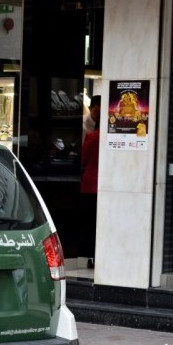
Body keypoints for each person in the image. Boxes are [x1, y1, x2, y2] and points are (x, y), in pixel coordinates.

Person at [79, 96, 101, 269]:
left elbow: (84, 159)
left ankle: (90, 255)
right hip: (105, 185)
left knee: (89, 222)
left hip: (90, 183)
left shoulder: (92, 138)